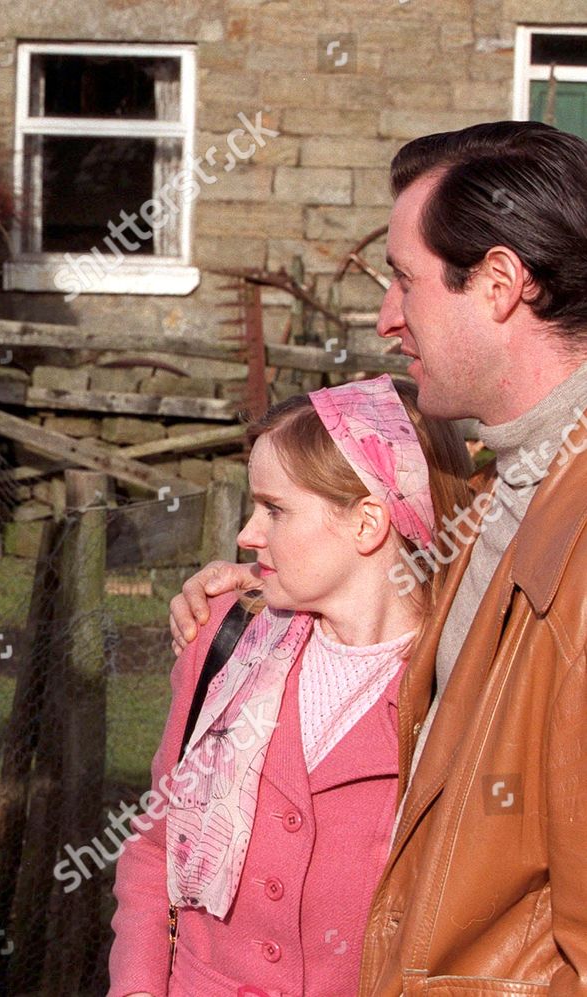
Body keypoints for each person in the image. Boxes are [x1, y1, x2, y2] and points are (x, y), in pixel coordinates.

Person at [168, 120, 587, 993]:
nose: (385, 316)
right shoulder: (516, 488)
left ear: (502, 282)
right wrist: (269, 584)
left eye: (404, 278)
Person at [110, 376, 472, 996]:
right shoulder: (222, 642)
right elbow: (156, 844)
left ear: (367, 524)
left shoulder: (465, 686)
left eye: (275, 510)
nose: (248, 535)